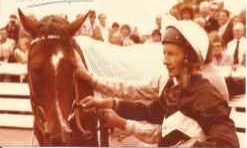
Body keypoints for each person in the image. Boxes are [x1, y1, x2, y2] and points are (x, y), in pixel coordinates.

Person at [77, 21, 239, 147]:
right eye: (164, 54)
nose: (165, 61)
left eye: (171, 54)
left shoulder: (205, 95)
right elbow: (148, 111)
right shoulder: (177, 90)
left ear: (189, 57)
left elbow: (228, 143)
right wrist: (107, 103)